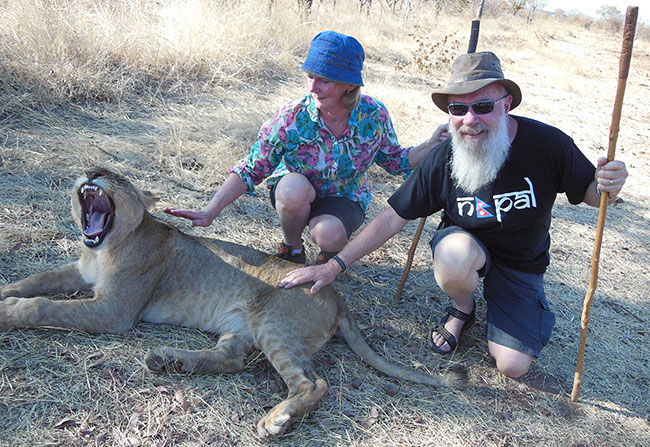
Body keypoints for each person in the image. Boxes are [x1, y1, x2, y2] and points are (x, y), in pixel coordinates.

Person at [279, 51, 628, 378]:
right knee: (454, 254)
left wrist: (608, 186)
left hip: (522, 263)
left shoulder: (549, 144)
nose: (470, 119)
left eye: (484, 106)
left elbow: (591, 195)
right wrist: (333, 265)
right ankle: (463, 308)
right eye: (459, 108)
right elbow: (392, 217)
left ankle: (511, 307)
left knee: (513, 366)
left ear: (506, 104)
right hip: (464, 250)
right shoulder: (444, 155)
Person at [165, 31, 446, 264]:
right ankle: (292, 248)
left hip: (344, 196)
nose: (313, 86)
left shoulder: (373, 115)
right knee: (291, 188)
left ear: (349, 85)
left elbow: (396, 160)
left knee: (329, 235)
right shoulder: (292, 116)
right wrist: (210, 210)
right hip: (297, 194)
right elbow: (253, 167)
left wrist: (431, 145)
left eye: (324, 79)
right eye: (310, 76)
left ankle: (328, 261)